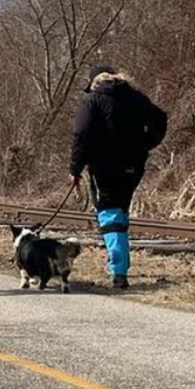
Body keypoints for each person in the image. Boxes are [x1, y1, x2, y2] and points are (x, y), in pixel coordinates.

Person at [70, 66, 167, 290]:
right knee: (120, 212)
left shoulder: (91, 100)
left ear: (94, 82)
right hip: (133, 165)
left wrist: (74, 168)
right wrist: (146, 143)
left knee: (109, 213)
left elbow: (81, 133)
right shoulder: (136, 97)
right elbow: (160, 118)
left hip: (104, 166)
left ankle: (118, 270)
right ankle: (117, 264)